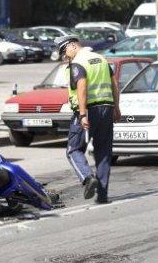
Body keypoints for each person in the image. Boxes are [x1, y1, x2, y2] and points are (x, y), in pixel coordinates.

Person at [54, 35, 121, 204]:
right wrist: (117, 108)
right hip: (106, 109)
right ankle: (103, 196)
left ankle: (87, 177)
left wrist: (83, 114)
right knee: (104, 153)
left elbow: (81, 87)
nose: (64, 55)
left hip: (88, 111)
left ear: (72, 46)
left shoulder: (78, 62)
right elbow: (114, 84)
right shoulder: (101, 59)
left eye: (64, 51)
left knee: (73, 149)